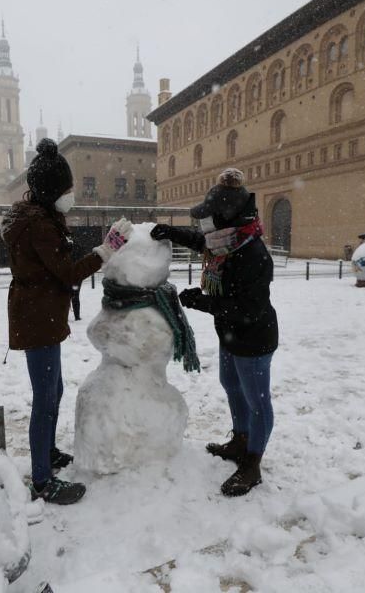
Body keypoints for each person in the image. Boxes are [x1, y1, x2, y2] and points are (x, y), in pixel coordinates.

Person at [1, 138, 133, 505]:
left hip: (40, 313)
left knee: (53, 391)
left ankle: (47, 453)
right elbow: (67, 273)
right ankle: (42, 480)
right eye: (67, 189)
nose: (71, 195)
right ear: (51, 192)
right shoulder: (39, 226)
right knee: (45, 399)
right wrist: (106, 250)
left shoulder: (37, 218)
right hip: (38, 317)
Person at [151, 168, 278, 497]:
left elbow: (247, 309)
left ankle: (252, 463)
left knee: (257, 401)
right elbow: (202, 242)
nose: (205, 224)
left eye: (210, 217)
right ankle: (240, 440)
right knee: (232, 386)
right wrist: (171, 232)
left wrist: (203, 302)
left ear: (227, 217)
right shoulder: (227, 241)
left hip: (253, 338)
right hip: (230, 334)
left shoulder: (253, 254)